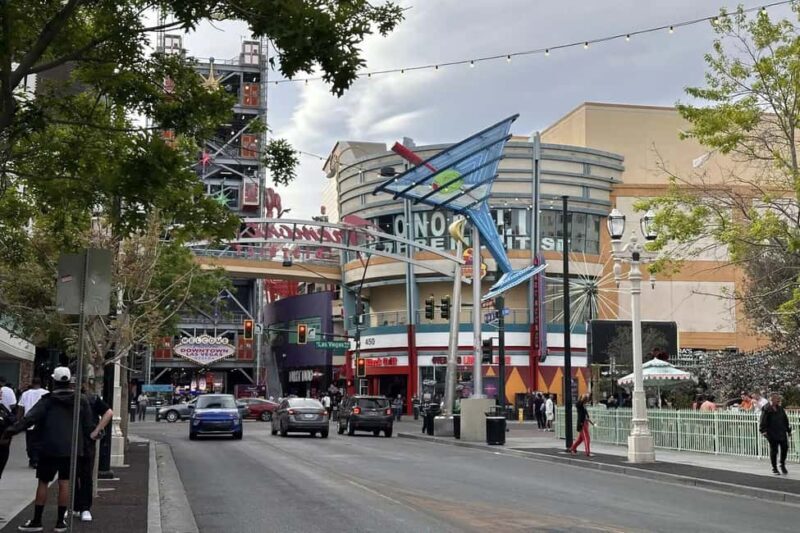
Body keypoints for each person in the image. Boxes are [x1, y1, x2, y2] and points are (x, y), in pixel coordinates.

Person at [2, 367, 94, 533]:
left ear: (54, 381)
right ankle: (60, 522)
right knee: (64, 482)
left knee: (43, 482)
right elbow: (88, 426)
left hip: (49, 447)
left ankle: (37, 520)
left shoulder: (48, 400)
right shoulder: (81, 400)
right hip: (71, 448)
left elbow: (29, 418)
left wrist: (10, 431)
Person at [73, 382, 113, 522]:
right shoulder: (92, 398)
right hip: (86, 442)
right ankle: (82, 508)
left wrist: (97, 430)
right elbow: (108, 412)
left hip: (78, 442)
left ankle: (79, 507)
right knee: (84, 476)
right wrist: (97, 430)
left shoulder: (90, 399)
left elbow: (108, 412)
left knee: (76, 476)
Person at [17, 378, 49, 468]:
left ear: (32, 383)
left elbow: (21, 408)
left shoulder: (25, 394)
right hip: (42, 422)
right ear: (41, 384)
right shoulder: (46, 393)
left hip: (29, 422)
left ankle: (33, 459)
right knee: (40, 442)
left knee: (30, 443)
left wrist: (19, 421)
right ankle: (37, 459)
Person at [759, 393, 792, 475]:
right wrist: (763, 431)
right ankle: (774, 467)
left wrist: (788, 430)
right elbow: (763, 421)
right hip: (772, 433)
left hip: (781, 432)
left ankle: (782, 464)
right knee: (774, 451)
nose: (778, 400)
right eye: (777, 399)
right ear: (772, 399)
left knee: (785, 448)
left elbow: (785, 420)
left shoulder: (780, 409)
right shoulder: (766, 409)